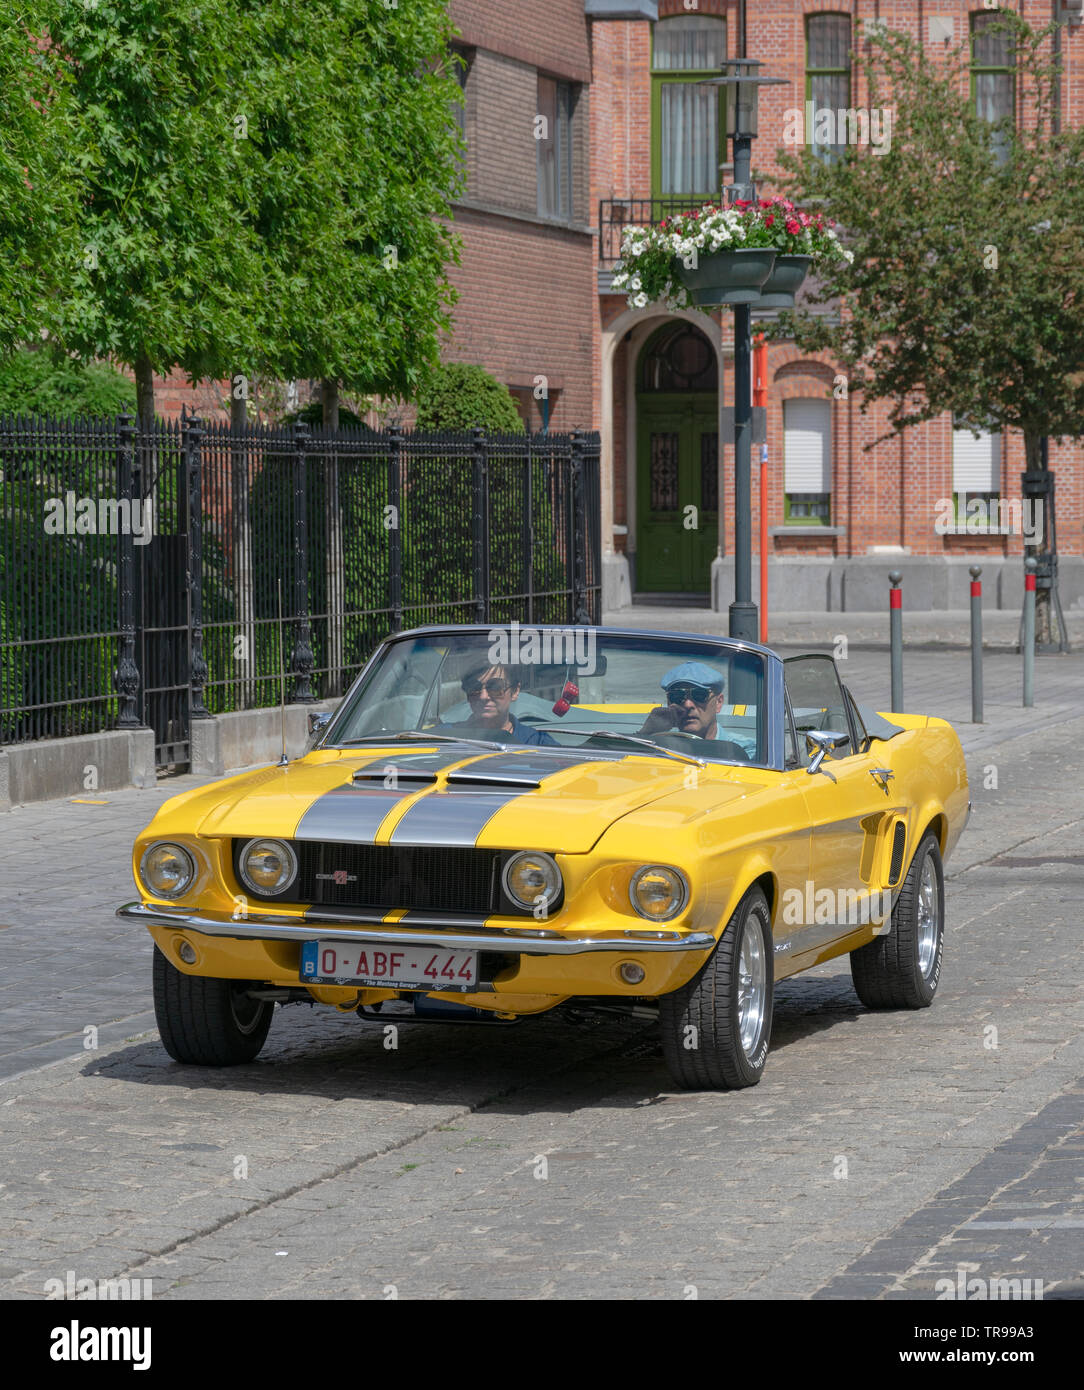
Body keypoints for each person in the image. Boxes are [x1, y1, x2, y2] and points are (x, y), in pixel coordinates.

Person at [434, 663, 558, 746]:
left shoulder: (538, 743)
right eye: (474, 688)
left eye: (495, 687)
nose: (483, 696)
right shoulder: (444, 737)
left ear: (515, 691)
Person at [636, 661, 727, 740]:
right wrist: (647, 734)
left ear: (718, 702)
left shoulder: (739, 752)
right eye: (677, 696)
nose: (688, 704)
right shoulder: (660, 747)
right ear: (669, 703)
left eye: (699, 695)